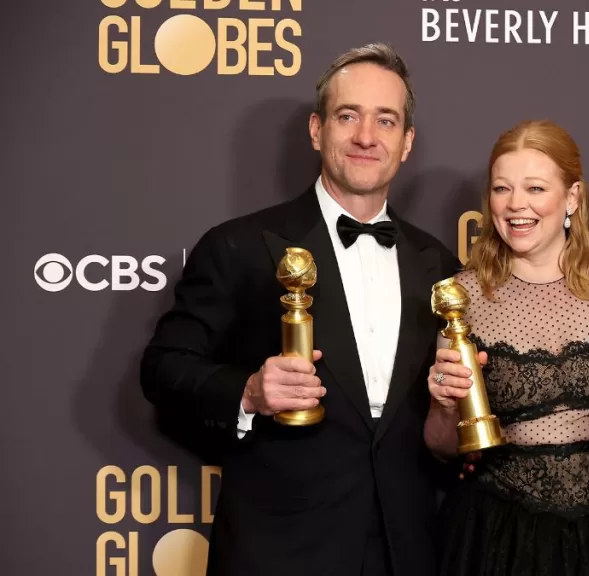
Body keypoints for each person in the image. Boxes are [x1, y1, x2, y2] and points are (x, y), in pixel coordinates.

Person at [139, 43, 459, 576]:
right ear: (316, 130)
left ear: (406, 143)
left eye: (385, 120)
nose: (366, 136)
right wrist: (248, 392)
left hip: (406, 551)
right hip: (280, 551)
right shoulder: (238, 246)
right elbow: (163, 367)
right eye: (348, 115)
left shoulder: (440, 266)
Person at [424, 119, 589, 576]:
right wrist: (443, 405)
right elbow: (442, 447)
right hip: (500, 538)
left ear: (572, 197)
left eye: (535, 188)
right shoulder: (462, 296)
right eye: (502, 189)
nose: (516, 204)